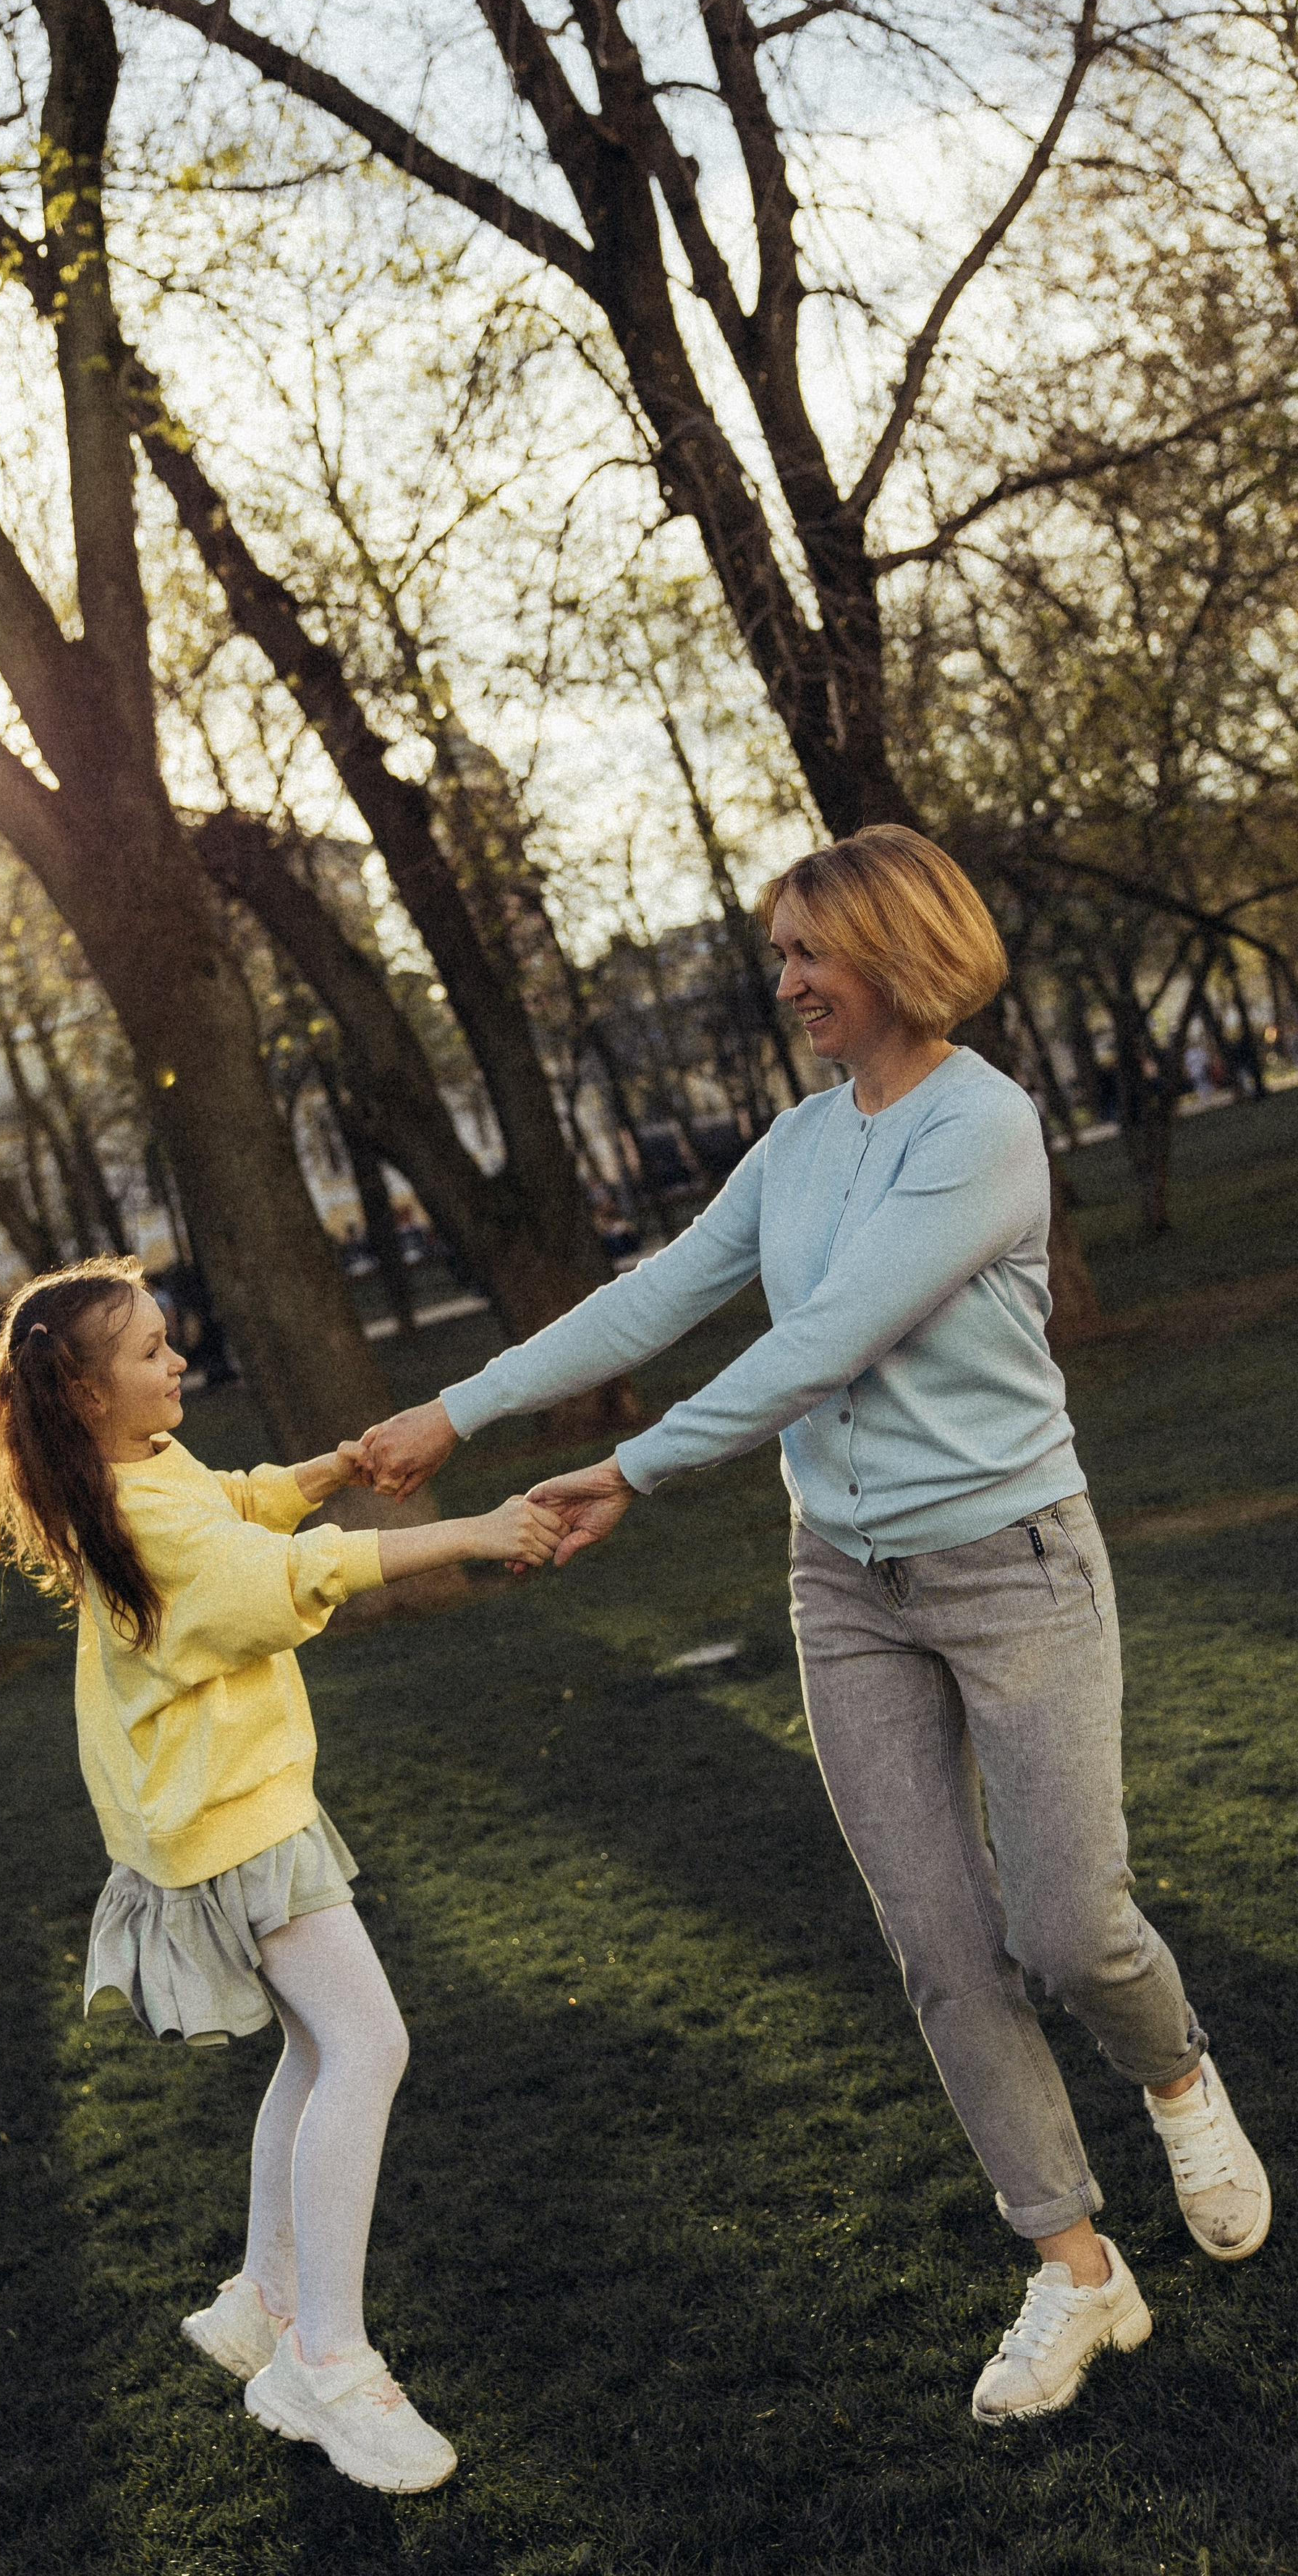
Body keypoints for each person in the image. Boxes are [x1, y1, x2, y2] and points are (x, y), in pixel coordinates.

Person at [363, 826, 1270, 2427]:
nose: (780, 983)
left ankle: (1177, 2076)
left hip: (1011, 1565)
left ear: (896, 948)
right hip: (843, 1587)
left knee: (1066, 1929)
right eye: (773, 954)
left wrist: (630, 1469)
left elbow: (835, 1338)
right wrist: (459, 1407)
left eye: (804, 954)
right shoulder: (795, 1142)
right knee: (935, 1943)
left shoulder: (982, 1126)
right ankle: (1071, 2269)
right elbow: (655, 1295)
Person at [0, 1258, 557, 2492]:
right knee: (369, 2047)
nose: (176, 1362)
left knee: (318, 2048)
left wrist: (333, 1471)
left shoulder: (142, 1475)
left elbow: (239, 1505)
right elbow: (277, 1578)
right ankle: (326, 2365)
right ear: (86, 1393)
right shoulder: (140, 1519)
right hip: (233, 1826)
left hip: (227, 1812)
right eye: (148, 1352)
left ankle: (265, 2304)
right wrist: (468, 1530)